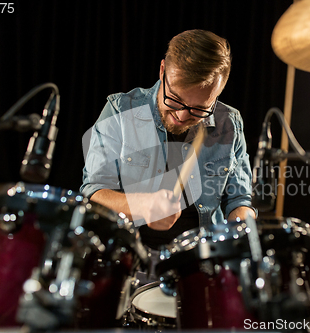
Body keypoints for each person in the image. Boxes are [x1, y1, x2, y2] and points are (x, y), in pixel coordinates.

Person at [80, 29, 256, 253]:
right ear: (163, 70)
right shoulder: (120, 110)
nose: (182, 117)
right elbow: (93, 192)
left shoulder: (229, 123)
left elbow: (239, 199)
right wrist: (142, 205)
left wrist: (242, 224)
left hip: (201, 262)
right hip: (129, 256)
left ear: (217, 94)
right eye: (175, 99)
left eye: (199, 109)